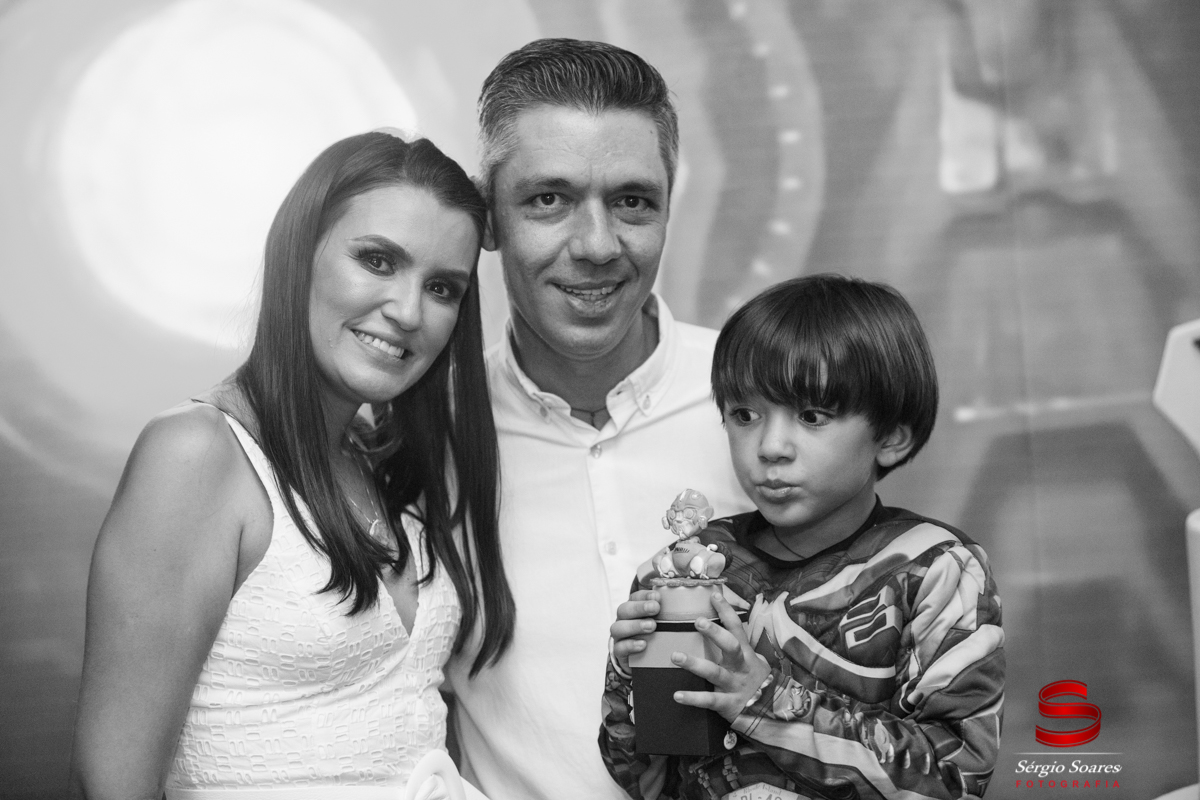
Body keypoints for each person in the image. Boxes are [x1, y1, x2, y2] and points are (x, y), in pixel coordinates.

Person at [69, 131, 513, 799]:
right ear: (298, 254)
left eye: (442, 288)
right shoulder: (197, 454)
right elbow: (113, 783)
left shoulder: (375, 462)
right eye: (377, 260)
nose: (408, 311)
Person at [442, 38, 752, 800]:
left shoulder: (765, 406)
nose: (597, 245)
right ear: (488, 217)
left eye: (632, 201)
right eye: (548, 199)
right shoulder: (425, 443)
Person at [603, 274, 1005, 799]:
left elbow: (957, 779)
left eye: (812, 416)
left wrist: (767, 701)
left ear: (891, 436)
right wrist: (630, 676)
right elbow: (642, 783)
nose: (770, 446)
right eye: (745, 415)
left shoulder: (936, 569)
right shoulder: (686, 567)